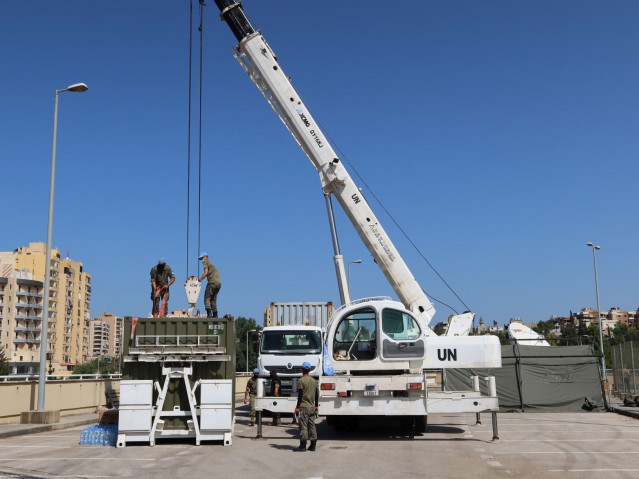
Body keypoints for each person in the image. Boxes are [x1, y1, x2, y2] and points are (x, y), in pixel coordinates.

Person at [295, 362, 318, 451]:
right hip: (312, 407)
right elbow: (316, 394)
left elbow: (300, 395)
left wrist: (297, 407)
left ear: (302, 370)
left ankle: (303, 445)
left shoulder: (301, 380)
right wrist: (316, 405)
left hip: (304, 406)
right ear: (310, 370)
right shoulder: (313, 381)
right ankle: (313, 445)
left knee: (303, 426)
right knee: (312, 425)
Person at [197, 252, 221, 318]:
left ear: (206, 257)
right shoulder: (212, 264)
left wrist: (199, 280)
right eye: (200, 259)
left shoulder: (206, 263)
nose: (201, 260)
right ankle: (215, 314)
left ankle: (209, 314)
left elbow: (205, 273)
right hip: (218, 283)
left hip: (212, 283)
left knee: (207, 298)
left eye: (202, 258)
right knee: (213, 299)